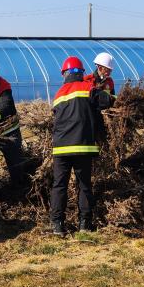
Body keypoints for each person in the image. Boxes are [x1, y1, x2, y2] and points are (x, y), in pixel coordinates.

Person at [50, 56, 113, 236]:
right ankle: (84, 224)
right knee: (84, 186)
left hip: (61, 148)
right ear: (81, 73)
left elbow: (56, 115)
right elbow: (107, 101)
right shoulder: (87, 88)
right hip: (82, 147)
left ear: (65, 74)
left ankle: (57, 225)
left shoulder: (59, 93)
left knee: (59, 186)